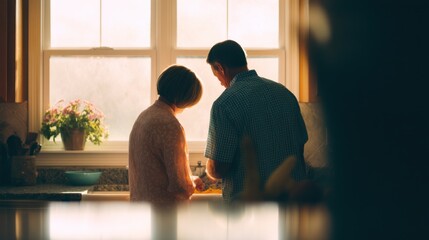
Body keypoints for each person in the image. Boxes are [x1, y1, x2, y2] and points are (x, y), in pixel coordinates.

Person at [204, 40, 308, 202]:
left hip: (250, 205)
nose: (219, 81)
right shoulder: (285, 94)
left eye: (215, 74)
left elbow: (219, 168)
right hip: (292, 200)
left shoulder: (224, 104)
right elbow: (300, 147)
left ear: (220, 67)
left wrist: (209, 168)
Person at [129, 65, 204, 204]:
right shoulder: (170, 125)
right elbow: (179, 186)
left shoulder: (144, 116)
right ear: (185, 98)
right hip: (163, 213)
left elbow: (157, 171)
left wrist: (190, 179)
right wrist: (191, 184)